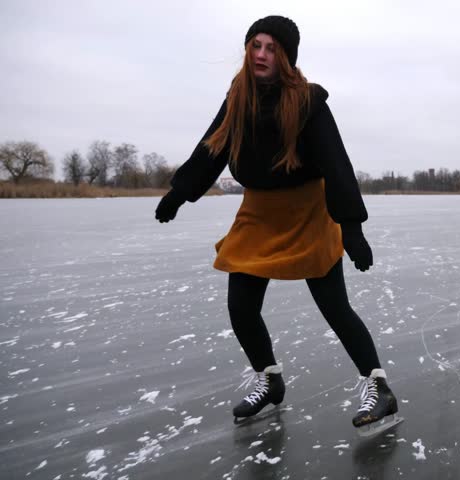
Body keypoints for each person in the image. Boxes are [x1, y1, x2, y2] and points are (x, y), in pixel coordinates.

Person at [154, 15, 401, 436]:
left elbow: (337, 165)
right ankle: (269, 378)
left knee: (334, 306)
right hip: (259, 213)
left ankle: (379, 387)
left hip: (309, 210)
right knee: (241, 306)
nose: (261, 55)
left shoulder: (307, 101)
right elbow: (212, 148)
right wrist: (180, 192)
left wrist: (352, 228)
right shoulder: (238, 97)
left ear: (286, 57)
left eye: (271, 48)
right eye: (255, 45)